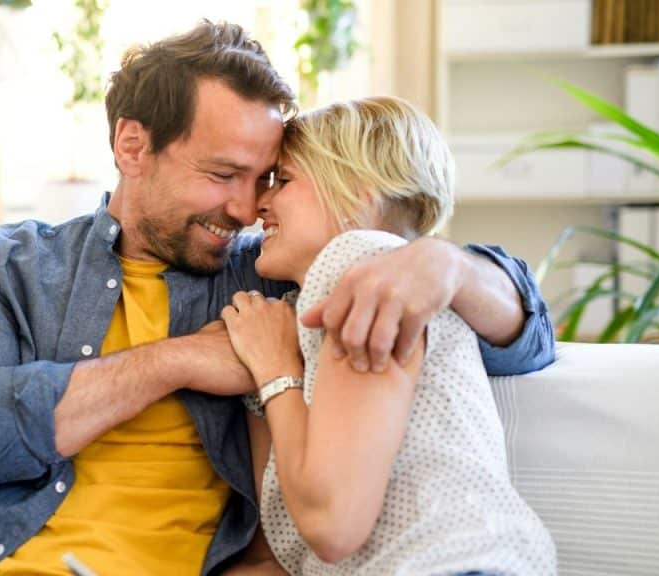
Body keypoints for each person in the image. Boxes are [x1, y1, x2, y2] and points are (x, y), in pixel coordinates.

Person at [0, 21, 554, 576]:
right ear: (134, 146)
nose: (246, 208)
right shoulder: (1, 262)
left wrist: (446, 265)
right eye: (223, 175)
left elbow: (524, 342)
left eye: (266, 178)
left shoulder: (278, 274)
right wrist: (176, 360)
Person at [221, 97, 555, 575]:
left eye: (284, 180)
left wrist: (275, 370)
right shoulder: (309, 310)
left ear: (358, 193)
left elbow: (332, 525)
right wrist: (270, 377)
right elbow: (292, 546)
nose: (259, 205)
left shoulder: (363, 265)